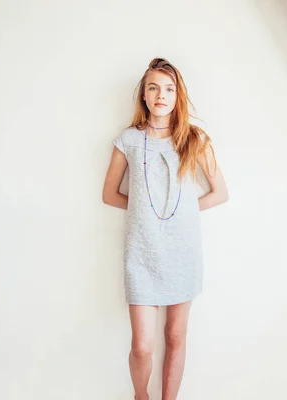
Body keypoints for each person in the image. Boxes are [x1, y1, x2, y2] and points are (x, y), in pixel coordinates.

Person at [102, 57, 229, 400]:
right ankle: (140, 396)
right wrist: (147, 212)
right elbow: (109, 194)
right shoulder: (128, 140)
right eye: (154, 88)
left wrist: (182, 213)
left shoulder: (194, 139)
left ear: (178, 96)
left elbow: (220, 193)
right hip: (141, 254)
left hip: (182, 252)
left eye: (169, 89)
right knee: (142, 346)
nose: (161, 95)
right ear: (143, 95)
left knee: (175, 336)